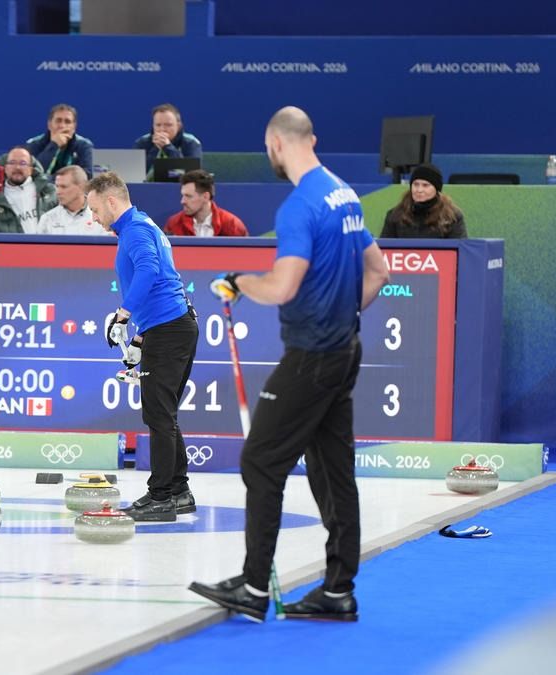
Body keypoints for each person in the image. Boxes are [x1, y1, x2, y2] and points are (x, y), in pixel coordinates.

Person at [189, 107, 390, 622]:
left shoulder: (300, 206)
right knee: (332, 470)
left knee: (260, 460)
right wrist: (344, 316)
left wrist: (238, 282)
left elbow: (282, 287)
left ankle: (254, 587)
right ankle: (338, 590)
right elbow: (380, 270)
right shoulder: (344, 193)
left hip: (313, 356)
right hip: (344, 349)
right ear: (310, 140)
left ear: (275, 143)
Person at [87, 171, 198, 522]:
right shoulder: (142, 224)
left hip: (170, 329)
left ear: (111, 201)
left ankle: (160, 497)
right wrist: (139, 337)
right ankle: (179, 492)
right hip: (170, 326)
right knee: (164, 413)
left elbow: (149, 271)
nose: (94, 218)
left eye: (95, 209)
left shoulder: (134, 230)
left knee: (158, 415)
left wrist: (122, 316)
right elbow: (162, 280)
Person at [0, 146, 58, 233]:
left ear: (31, 170)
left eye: (23, 163)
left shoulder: (49, 191)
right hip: (9, 242)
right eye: (12, 163)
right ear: (5, 168)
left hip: (47, 241)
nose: (17, 167)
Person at [380, 163, 468, 239]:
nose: (419, 190)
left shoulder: (452, 217)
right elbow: (384, 249)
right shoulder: (395, 215)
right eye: (416, 184)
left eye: (425, 185)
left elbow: (460, 249)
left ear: (436, 189)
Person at [163, 169, 248, 237]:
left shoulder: (233, 225)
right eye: (183, 195)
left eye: (188, 196)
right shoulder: (174, 224)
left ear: (205, 197)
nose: (182, 201)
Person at [24, 103, 94, 178]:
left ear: (74, 127)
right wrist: (54, 145)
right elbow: (33, 173)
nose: (62, 126)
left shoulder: (83, 145)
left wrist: (55, 179)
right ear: (49, 125)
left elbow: (87, 176)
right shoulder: (34, 143)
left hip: (70, 186)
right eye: (58, 121)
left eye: (67, 122)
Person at [34, 166, 105, 236]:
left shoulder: (102, 218)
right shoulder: (47, 219)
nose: (58, 192)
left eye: (63, 187)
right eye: (57, 186)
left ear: (81, 187)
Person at [132, 103, 203, 173]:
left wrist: (168, 147)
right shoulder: (142, 142)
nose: (162, 129)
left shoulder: (191, 142)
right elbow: (135, 173)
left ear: (178, 126)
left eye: (168, 125)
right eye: (158, 125)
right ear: (153, 126)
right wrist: (156, 149)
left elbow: (193, 173)